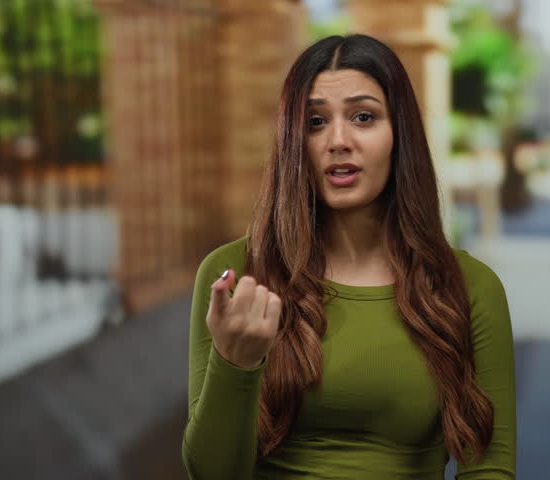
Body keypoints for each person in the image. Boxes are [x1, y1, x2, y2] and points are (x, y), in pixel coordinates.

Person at [182, 34, 516, 480]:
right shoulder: (236, 277)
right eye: (315, 121)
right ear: (292, 139)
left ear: (399, 134)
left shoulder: (469, 286)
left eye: (363, 117)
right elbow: (210, 474)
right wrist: (235, 362)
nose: (338, 140)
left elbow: (489, 468)